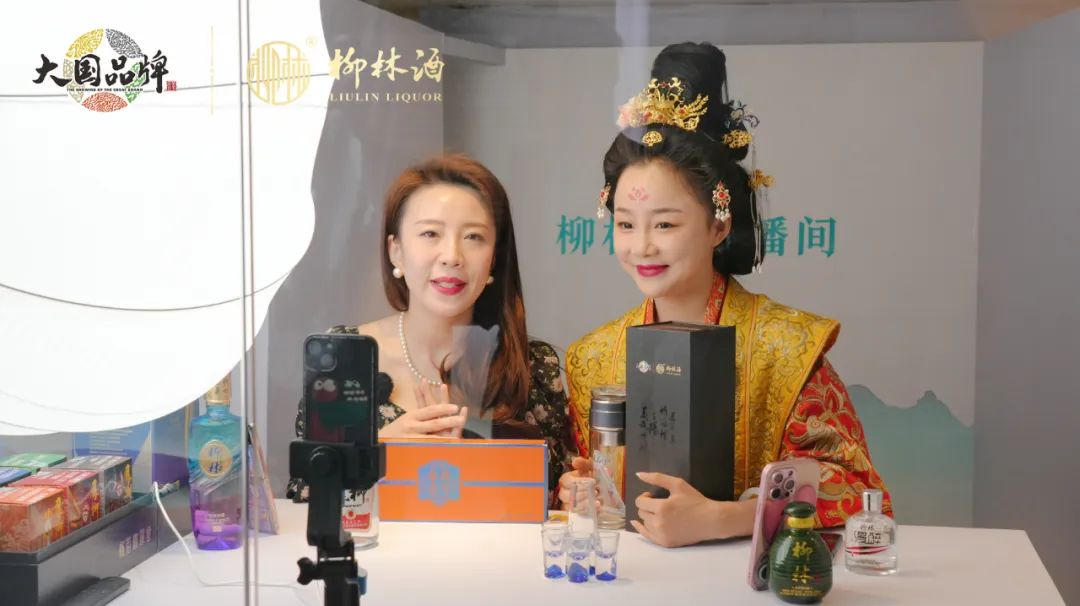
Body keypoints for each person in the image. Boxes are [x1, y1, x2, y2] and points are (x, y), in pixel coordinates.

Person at [561, 43, 890, 547]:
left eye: (665, 224)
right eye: (625, 224)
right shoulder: (593, 357)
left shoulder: (787, 347)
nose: (641, 246)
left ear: (718, 226)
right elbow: (591, 480)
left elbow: (856, 490)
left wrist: (725, 518)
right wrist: (581, 488)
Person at [288, 154, 575, 503]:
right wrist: (380, 455)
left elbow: (555, 501)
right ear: (396, 251)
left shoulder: (530, 365)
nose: (452, 256)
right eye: (430, 234)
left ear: (494, 259)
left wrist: (577, 494)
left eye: (473, 237)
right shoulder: (346, 358)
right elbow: (305, 498)